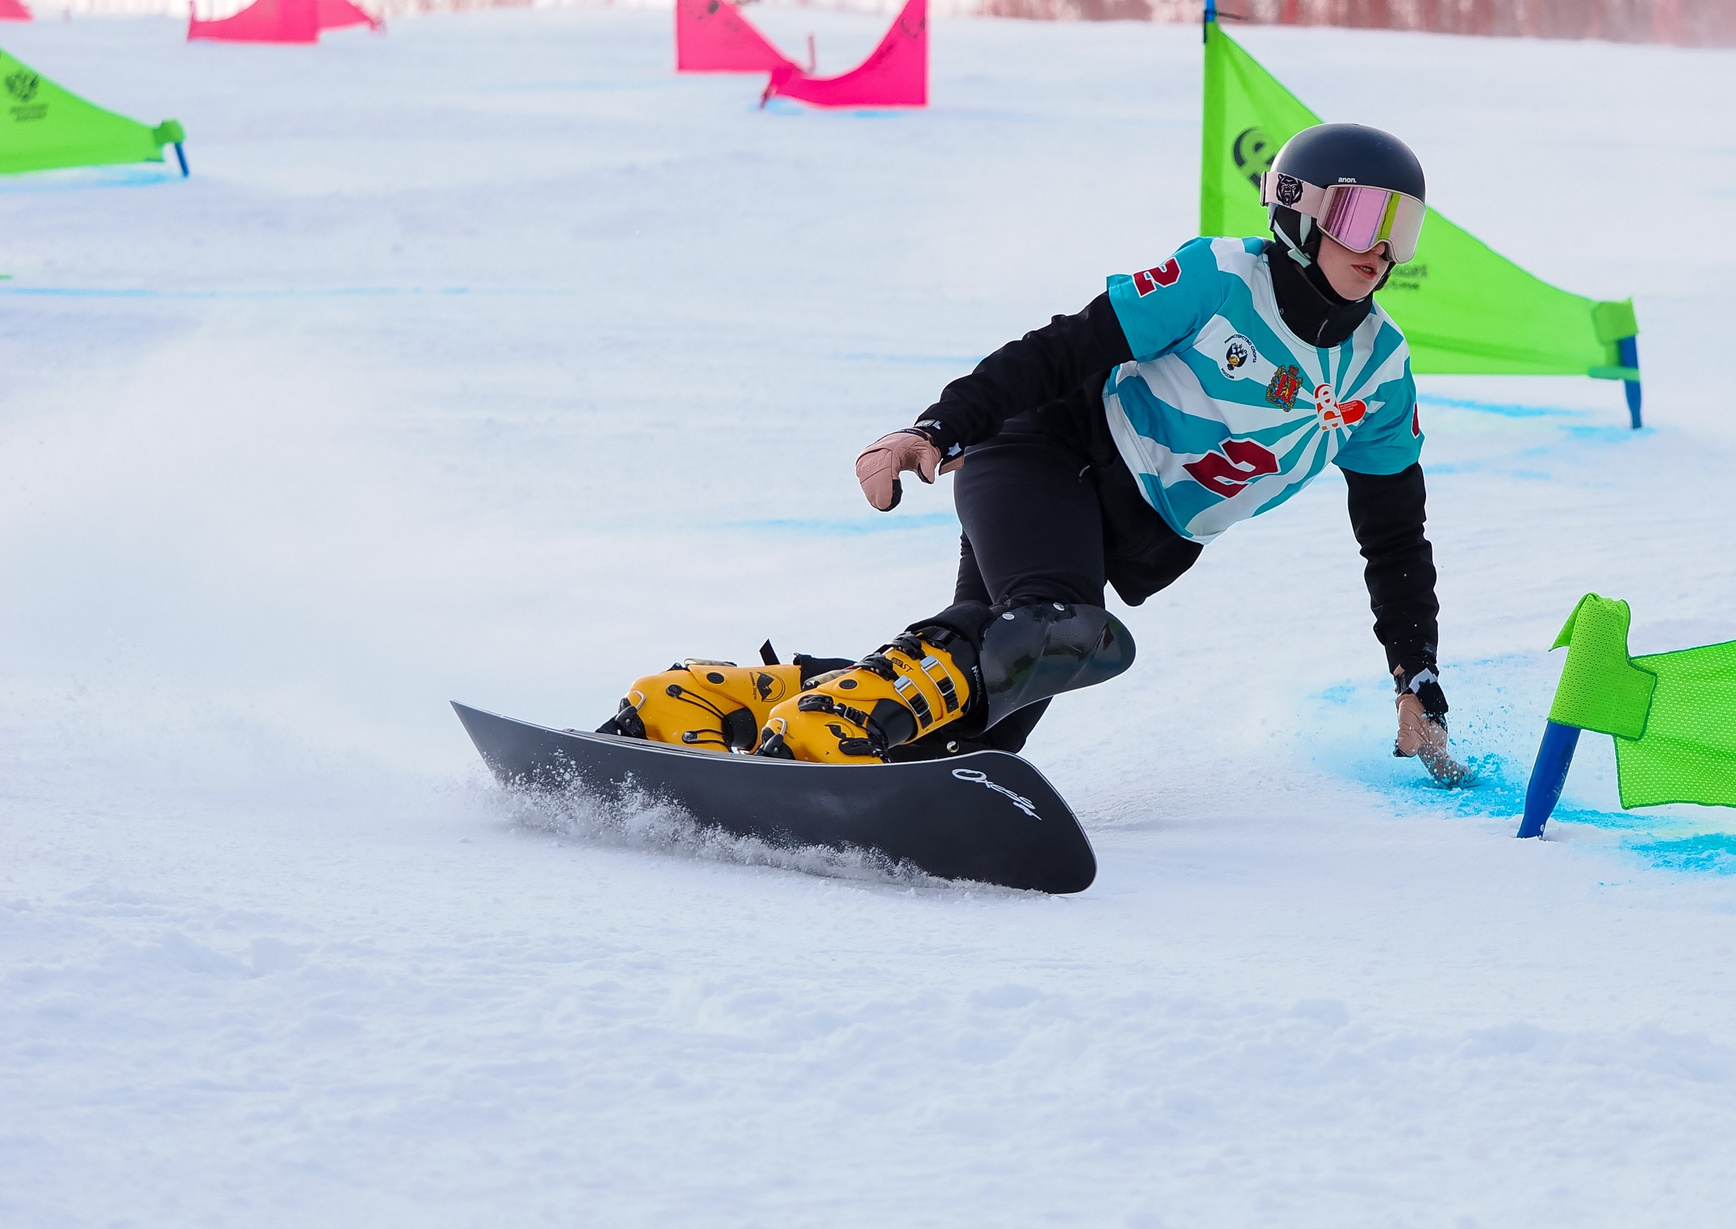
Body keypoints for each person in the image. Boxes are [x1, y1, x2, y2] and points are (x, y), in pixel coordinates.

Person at [602, 122, 1467, 784]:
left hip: (1118, 534)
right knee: (1059, 628)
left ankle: (708, 699)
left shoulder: (1380, 373)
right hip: (1045, 452)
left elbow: (1394, 538)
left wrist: (1415, 677)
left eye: (1405, 225)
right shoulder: (1221, 278)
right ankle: (821, 725)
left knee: (975, 726)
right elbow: (1064, 347)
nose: (1383, 246)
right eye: (1364, 215)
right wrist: (938, 427)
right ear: (1299, 206)